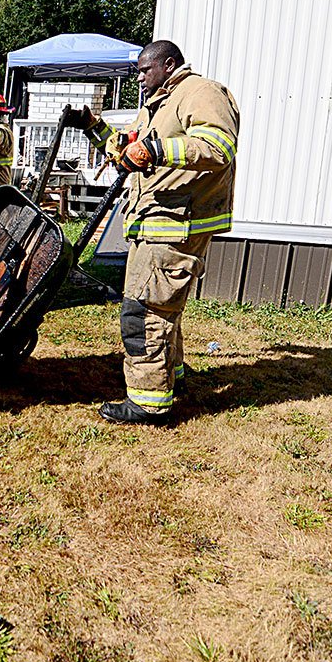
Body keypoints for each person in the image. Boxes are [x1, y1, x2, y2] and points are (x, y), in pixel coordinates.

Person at [67, 40, 240, 424]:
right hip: (160, 221)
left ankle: (148, 400)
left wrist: (157, 151)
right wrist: (94, 127)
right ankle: (172, 377)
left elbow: (219, 145)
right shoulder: (158, 105)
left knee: (143, 309)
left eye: (145, 70)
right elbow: (126, 147)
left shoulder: (200, 92)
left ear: (169, 64)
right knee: (164, 307)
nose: (140, 78)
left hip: (176, 221)